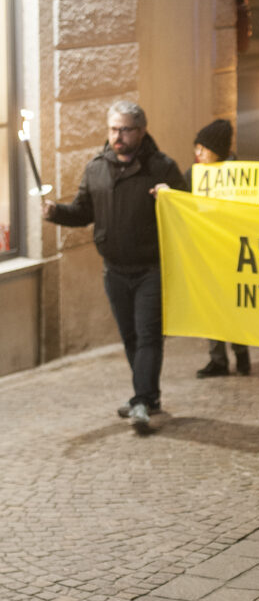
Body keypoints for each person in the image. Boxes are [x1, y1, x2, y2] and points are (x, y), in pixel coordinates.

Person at [42, 100, 185, 432]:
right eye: (113, 129)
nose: (118, 136)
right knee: (131, 336)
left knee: (149, 336)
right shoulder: (96, 168)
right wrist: (56, 213)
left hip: (151, 267)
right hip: (115, 270)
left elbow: (187, 208)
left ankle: (140, 401)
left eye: (125, 129)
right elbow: (83, 211)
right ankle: (148, 397)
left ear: (141, 131)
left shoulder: (161, 167)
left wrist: (171, 197)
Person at [184, 119, 251, 379]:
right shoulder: (193, 175)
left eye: (202, 149)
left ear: (216, 150)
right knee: (210, 304)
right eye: (196, 149)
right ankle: (217, 358)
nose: (197, 154)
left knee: (233, 305)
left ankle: (241, 352)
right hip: (205, 248)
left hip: (232, 250)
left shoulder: (240, 175)